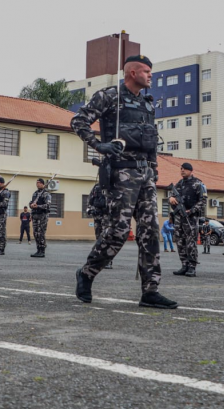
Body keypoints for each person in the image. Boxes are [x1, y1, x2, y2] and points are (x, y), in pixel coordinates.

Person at [72, 53, 177, 309]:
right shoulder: (109, 96)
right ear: (132, 73)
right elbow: (79, 121)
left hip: (146, 176)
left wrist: (154, 170)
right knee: (118, 233)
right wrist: (99, 145)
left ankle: (150, 291)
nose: (151, 76)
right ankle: (86, 273)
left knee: (151, 232)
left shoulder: (148, 104)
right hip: (121, 174)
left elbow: (151, 141)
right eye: (146, 72)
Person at [170, 162, 207, 277]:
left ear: (191, 171)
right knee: (180, 242)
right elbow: (171, 195)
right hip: (178, 217)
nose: (182, 171)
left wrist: (191, 211)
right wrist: (170, 198)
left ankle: (192, 267)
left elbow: (203, 201)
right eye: (181, 169)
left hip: (190, 218)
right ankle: (184, 265)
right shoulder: (179, 184)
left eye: (185, 169)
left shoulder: (198, 184)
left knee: (191, 243)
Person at [86, 184, 112, 269]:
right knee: (98, 238)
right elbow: (90, 200)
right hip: (97, 216)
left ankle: (107, 261)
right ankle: (99, 260)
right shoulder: (96, 187)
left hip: (106, 217)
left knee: (106, 238)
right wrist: (90, 209)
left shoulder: (111, 187)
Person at [30, 178, 52, 258]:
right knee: (35, 233)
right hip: (35, 215)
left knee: (41, 233)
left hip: (42, 216)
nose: (37, 184)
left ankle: (42, 250)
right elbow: (31, 202)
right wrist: (31, 205)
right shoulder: (35, 193)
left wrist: (38, 206)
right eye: (37, 183)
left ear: (43, 184)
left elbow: (48, 205)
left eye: (39, 183)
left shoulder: (46, 194)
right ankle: (38, 249)